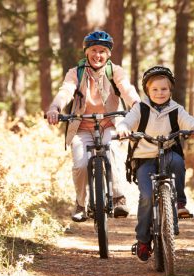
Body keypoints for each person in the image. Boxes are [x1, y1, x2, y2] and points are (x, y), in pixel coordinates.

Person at [46, 30, 141, 222]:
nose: (98, 55)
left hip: (110, 124)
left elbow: (127, 90)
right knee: (80, 165)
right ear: (86, 52)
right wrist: (55, 107)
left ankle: (118, 197)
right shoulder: (76, 73)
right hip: (82, 126)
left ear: (108, 54)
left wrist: (137, 105)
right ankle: (81, 204)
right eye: (94, 50)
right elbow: (66, 91)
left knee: (113, 151)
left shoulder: (115, 71)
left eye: (102, 51)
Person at [116, 66, 194, 262]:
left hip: (168, 152)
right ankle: (143, 240)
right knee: (146, 196)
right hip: (144, 157)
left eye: (164, 89)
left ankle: (180, 202)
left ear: (170, 90)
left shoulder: (176, 109)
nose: (160, 93)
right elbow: (127, 122)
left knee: (178, 163)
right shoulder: (140, 108)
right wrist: (122, 129)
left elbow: (188, 120)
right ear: (147, 91)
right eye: (155, 89)